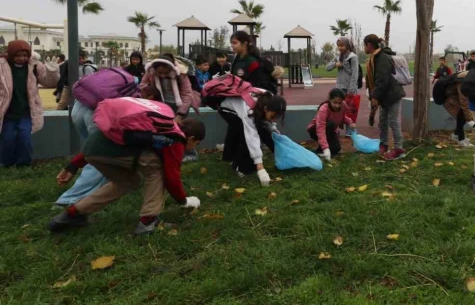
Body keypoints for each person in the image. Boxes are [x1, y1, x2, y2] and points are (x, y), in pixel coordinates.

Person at [48, 118, 205, 235]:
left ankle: (74, 213)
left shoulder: (162, 123)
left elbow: (110, 138)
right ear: (190, 139)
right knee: (157, 169)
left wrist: (73, 165)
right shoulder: (176, 140)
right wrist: (183, 200)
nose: (193, 147)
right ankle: (148, 222)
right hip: (106, 151)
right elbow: (171, 177)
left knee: (129, 181)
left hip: (93, 149)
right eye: (196, 144)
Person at [0, 40, 60, 167]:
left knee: (24, 138)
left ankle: (23, 164)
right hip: (6, 111)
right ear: (11, 54)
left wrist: (52, 71)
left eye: (24, 55)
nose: (22, 58)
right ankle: (6, 164)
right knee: (7, 139)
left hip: (27, 111)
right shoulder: (1, 65)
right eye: (18, 55)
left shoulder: (34, 66)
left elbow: (48, 83)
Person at [218, 91, 287, 183]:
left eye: (277, 117)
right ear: (265, 109)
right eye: (273, 116)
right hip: (227, 109)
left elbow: (269, 122)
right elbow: (251, 137)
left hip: (242, 108)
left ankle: (230, 157)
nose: (274, 119)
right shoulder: (249, 110)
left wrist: (274, 131)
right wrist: (260, 167)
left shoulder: (272, 100)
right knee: (245, 138)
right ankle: (239, 167)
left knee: (259, 131)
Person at [364, 34, 405, 160]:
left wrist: (375, 97)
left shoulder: (382, 58)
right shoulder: (374, 58)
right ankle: (384, 145)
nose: (363, 48)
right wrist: (374, 96)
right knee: (383, 121)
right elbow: (373, 80)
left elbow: (382, 80)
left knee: (393, 121)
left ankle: (399, 149)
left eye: (364, 45)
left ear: (369, 45)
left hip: (392, 95)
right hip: (384, 96)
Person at [308, 88, 355, 161]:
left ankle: (322, 150)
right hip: (315, 130)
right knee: (330, 125)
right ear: (330, 99)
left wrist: (350, 122)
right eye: (335, 102)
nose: (337, 106)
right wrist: (325, 148)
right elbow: (320, 129)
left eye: (339, 103)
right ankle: (321, 149)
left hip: (331, 130)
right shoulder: (324, 109)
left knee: (336, 148)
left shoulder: (344, 105)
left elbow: (343, 116)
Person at [326, 37, 360, 128]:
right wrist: (335, 64)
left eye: (342, 45)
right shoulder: (338, 57)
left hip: (349, 88)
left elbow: (355, 74)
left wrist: (351, 90)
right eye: (338, 46)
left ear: (347, 45)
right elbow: (327, 67)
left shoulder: (353, 57)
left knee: (350, 111)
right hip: (339, 88)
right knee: (337, 109)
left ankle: (350, 131)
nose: (340, 48)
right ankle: (336, 128)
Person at [438, 71, 474, 147]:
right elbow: (464, 100)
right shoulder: (462, 81)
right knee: (461, 116)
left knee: (462, 115)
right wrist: (469, 119)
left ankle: (455, 135)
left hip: (455, 95)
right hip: (449, 97)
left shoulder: (471, 78)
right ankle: (461, 139)